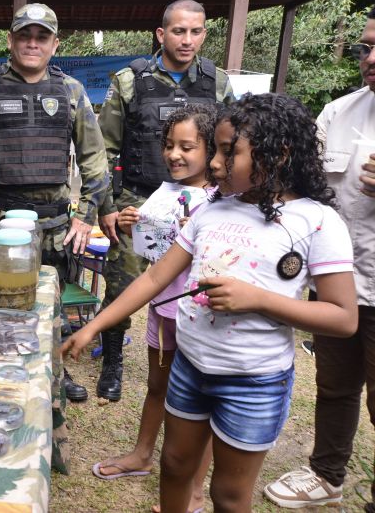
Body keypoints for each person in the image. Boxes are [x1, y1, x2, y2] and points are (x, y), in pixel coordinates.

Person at [63, 93, 358, 511]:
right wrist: (93, 326)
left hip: (253, 383)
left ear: (279, 153)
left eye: (228, 152)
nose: (215, 163)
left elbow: (343, 318)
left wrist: (258, 299)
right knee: (175, 464)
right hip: (190, 367)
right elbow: (154, 276)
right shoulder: (212, 210)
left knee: (228, 494)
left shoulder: (317, 223)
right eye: (215, 150)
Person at [0, 3, 108, 471]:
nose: (33, 43)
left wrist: (86, 216)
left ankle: (53, 397)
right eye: (25, 35)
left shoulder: (72, 91)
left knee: (52, 320)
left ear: (55, 44)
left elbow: (95, 162)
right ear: (12, 40)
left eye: (43, 36)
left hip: (56, 231)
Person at [263, 6, 375, 510]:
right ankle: (327, 475)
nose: (370, 58)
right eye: (365, 47)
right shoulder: (341, 111)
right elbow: (309, 187)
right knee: (334, 386)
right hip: (338, 282)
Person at [95, 0, 235, 401]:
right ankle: (113, 361)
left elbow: (231, 146)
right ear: (162, 34)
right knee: (121, 287)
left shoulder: (218, 83)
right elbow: (104, 150)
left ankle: (192, 363)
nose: (187, 39)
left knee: (198, 289)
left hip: (202, 206)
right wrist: (107, 206)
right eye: (178, 31)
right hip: (139, 205)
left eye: (195, 31)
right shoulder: (129, 81)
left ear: (204, 34)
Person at [92, 104, 216, 513]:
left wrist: (197, 232)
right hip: (163, 310)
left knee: (203, 400)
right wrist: (135, 222)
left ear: (212, 150)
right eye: (168, 145)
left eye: (187, 147)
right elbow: (153, 258)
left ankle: (196, 488)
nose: (174, 154)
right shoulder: (163, 196)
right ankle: (142, 455)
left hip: (202, 316)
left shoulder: (220, 203)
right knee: (156, 387)